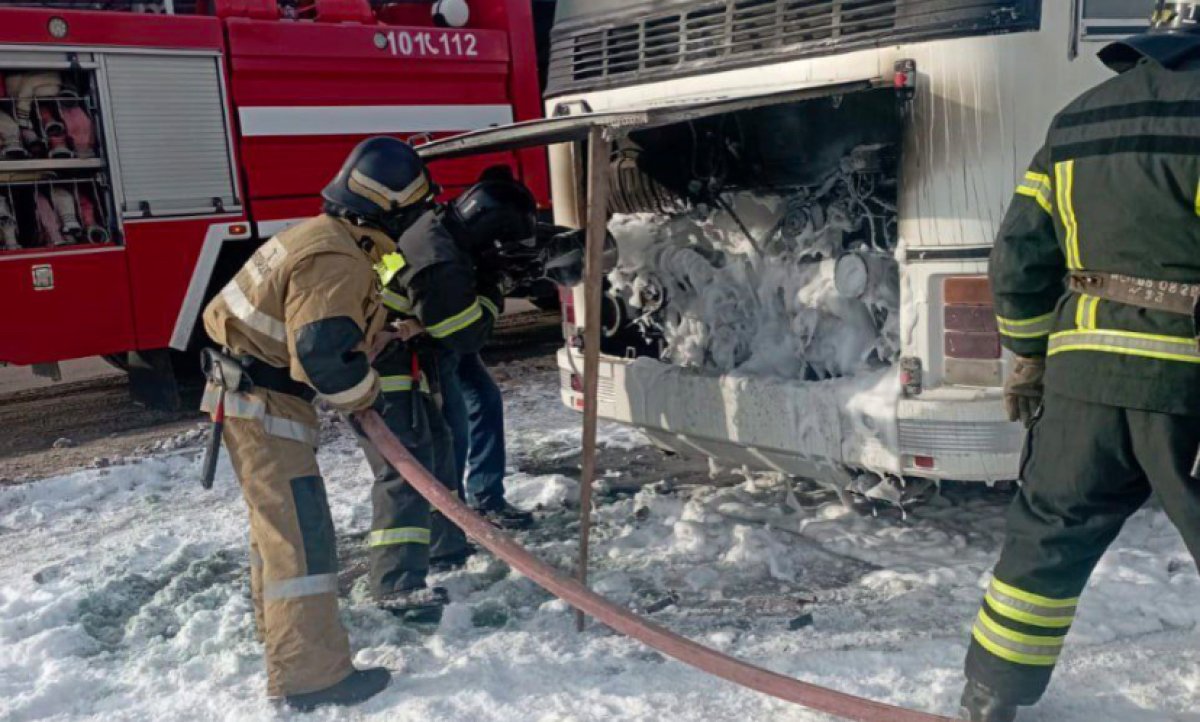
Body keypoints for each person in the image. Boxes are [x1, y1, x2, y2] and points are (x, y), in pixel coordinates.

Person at [960, 3, 1200, 720]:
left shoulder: (1075, 120)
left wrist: (1030, 354)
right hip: (1184, 379)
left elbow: (1020, 254)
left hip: (1082, 381)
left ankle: (988, 696)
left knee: (1046, 537)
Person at [199, 136, 432, 710]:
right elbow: (324, 360)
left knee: (279, 539)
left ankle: (285, 648)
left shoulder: (318, 236)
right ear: (393, 211)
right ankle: (312, 679)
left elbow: (312, 327)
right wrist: (368, 391)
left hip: (249, 399)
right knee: (302, 544)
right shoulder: (338, 258)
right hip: (266, 410)